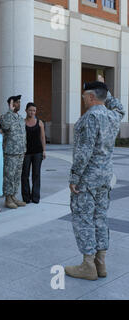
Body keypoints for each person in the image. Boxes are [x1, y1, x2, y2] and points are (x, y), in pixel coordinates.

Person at [64, 76, 124, 281]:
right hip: (105, 178)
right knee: (100, 218)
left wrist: (74, 177)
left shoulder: (90, 118)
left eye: (84, 97)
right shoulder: (113, 116)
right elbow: (120, 108)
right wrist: (107, 90)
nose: (83, 100)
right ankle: (101, 262)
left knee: (83, 219)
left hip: (87, 180)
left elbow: (83, 152)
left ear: (91, 97)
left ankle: (88, 264)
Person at [0, 95, 27, 209]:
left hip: (20, 151)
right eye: (16, 102)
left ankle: (14, 196)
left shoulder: (21, 118)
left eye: (19, 102)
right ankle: (8, 198)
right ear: (11, 104)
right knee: (9, 176)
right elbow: (5, 126)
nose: (19, 104)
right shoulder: (5, 117)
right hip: (10, 152)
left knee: (17, 176)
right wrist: (10, 111)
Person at [21, 102, 46, 204]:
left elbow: (43, 137)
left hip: (37, 152)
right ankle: (26, 198)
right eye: (30, 110)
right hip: (26, 153)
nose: (32, 112)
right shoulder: (22, 122)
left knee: (36, 174)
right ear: (26, 110)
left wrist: (44, 150)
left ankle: (35, 197)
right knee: (25, 175)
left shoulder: (39, 122)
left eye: (34, 110)